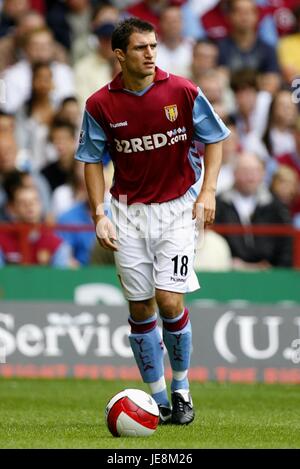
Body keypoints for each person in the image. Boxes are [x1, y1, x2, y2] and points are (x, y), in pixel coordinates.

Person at [75, 18, 230, 425]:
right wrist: (99, 214)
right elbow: (90, 160)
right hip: (126, 211)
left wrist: (208, 191)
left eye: (154, 46)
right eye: (141, 47)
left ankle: (181, 390)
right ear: (120, 54)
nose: (150, 54)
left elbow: (215, 138)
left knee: (169, 300)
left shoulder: (181, 90)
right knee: (141, 308)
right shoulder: (100, 104)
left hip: (177, 208)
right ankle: (158, 398)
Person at [215, 152, 293, 269]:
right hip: (229, 274)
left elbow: (286, 246)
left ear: (263, 173)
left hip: (270, 275)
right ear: (234, 173)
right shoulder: (219, 204)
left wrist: (276, 269)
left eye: (255, 171)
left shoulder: (277, 207)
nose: (250, 177)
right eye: (245, 171)